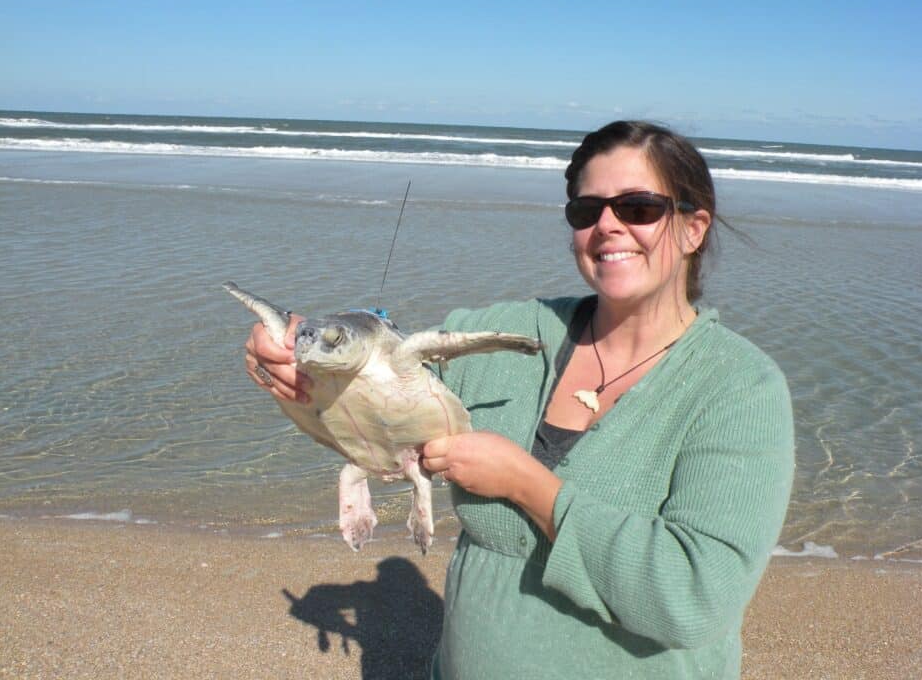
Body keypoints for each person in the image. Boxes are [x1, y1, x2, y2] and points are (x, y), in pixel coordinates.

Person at [245, 121, 794, 679]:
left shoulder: (739, 387)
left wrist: (528, 486)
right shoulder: (506, 334)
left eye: (638, 207)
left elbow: (695, 598)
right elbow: (377, 368)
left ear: (693, 228)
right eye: (586, 211)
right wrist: (291, 347)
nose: (607, 225)